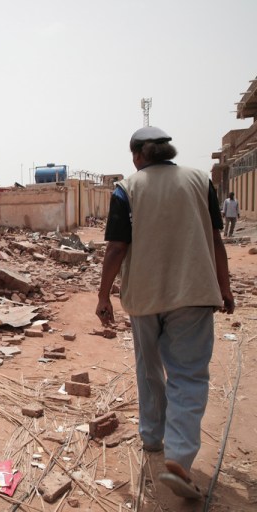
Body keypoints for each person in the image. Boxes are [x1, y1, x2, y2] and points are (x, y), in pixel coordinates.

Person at [96, 126, 235, 500]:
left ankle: (152, 438)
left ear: (137, 155)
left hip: (144, 297)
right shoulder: (199, 181)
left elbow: (116, 248)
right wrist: (225, 287)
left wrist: (103, 295)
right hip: (193, 293)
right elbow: (216, 241)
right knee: (188, 375)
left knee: (148, 366)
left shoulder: (127, 189)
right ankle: (179, 455)